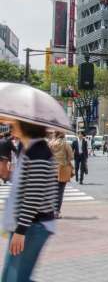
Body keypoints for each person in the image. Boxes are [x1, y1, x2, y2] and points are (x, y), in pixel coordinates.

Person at [1, 120, 58, 281]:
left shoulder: (38, 152)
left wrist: (21, 231)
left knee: (15, 278)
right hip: (28, 225)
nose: (11, 126)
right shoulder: (29, 149)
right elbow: (27, 184)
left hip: (33, 226)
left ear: (26, 126)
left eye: (15, 123)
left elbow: (34, 196)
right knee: (11, 277)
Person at [47, 131, 73, 219]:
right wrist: (65, 160)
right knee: (60, 191)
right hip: (62, 169)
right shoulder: (65, 144)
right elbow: (71, 156)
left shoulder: (50, 143)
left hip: (51, 169)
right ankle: (56, 212)